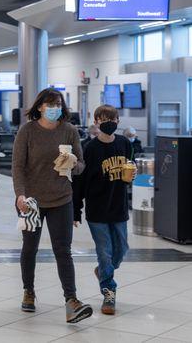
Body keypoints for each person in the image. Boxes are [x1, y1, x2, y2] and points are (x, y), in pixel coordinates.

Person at [12, 88, 92, 323]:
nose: (55, 107)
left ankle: (72, 300)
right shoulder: (27, 131)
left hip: (61, 198)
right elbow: (17, 166)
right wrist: (20, 195)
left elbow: (81, 166)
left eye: (58, 103)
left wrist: (73, 163)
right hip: (32, 201)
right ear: (40, 107)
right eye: (50, 104)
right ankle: (28, 291)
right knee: (30, 248)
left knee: (63, 250)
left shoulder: (69, 130)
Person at [74, 105, 133, 316]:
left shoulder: (124, 143)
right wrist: (76, 209)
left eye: (112, 118)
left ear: (117, 120)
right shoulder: (89, 148)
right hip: (97, 208)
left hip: (119, 207)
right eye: (102, 119)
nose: (107, 122)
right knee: (104, 252)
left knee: (122, 249)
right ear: (96, 122)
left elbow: (129, 165)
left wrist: (130, 175)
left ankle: (103, 273)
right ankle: (109, 292)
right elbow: (79, 181)